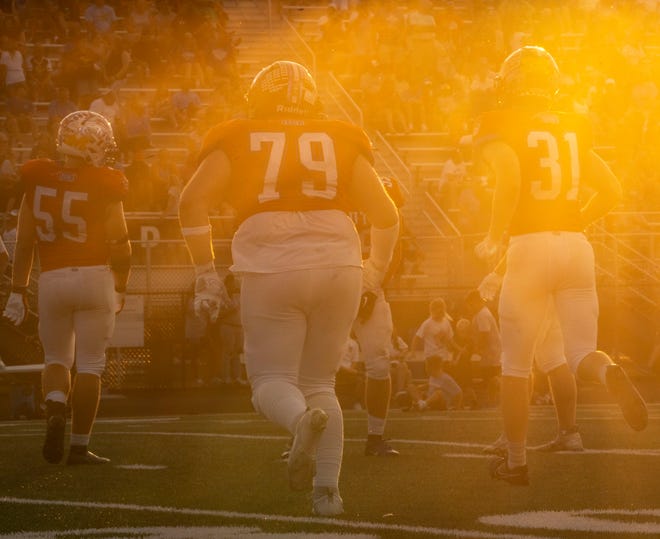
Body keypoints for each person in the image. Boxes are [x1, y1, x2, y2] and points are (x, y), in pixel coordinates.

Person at [178, 60, 399, 516]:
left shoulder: (238, 133)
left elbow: (192, 201)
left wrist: (206, 271)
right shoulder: (340, 135)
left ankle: (300, 423)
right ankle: (328, 496)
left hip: (271, 258)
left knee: (269, 383)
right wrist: (374, 271)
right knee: (321, 382)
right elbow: (387, 214)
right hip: (340, 257)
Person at [473, 45, 648, 486]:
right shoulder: (572, 125)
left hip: (529, 246)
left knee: (515, 365)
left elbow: (510, 177)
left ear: (511, 81)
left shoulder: (501, 122)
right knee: (581, 353)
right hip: (576, 246)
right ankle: (609, 372)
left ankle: (515, 462)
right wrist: (572, 221)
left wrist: (494, 236)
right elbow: (610, 189)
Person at [2, 110, 132, 466]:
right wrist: (122, 284)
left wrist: (17, 290)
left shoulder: (37, 176)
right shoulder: (104, 181)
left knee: (56, 360)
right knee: (90, 365)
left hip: (53, 280)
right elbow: (120, 241)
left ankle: (56, 404)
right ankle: (78, 446)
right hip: (94, 277)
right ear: (94, 146)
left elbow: (25, 241)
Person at [352, 175, 405, 457]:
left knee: (379, 363)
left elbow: (394, 254)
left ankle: (375, 437)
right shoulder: (340, 189)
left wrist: (373, 290)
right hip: (336, 276)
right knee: (315, 363)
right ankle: (298, 438)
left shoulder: (391, 210)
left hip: (370, 281)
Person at [410, 297, 463, 410]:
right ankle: (427, 401)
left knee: (442, 382)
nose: (440, 312)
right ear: (432, 310)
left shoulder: (446, 323)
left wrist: (459, 349)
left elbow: (450, 340)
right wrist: (413, 351)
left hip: (442, 358)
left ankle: (434, 402)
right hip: (431, 357)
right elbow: (417, 337)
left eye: (442, 309)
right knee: (433, 382)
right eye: (437, 310)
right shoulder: (427, 323)